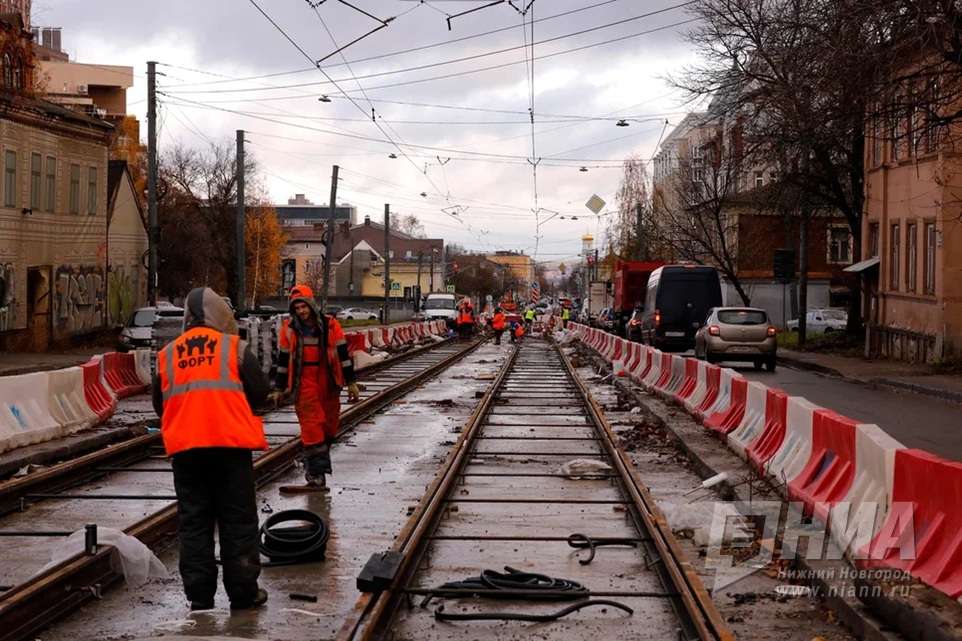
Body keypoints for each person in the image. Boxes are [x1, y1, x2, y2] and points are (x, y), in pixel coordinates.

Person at [153, 287, 269, 612]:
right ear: (222, 315)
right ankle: (244, 592)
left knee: (193, 522)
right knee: (237, 520)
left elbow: (159, 404)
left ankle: (200, 596)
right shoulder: (235, 349)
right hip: (230, 448)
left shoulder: (167, 355)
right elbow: (259, 391)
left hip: (187, 452)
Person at [273, 285, 361, 492]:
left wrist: (351, 382)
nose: (301, 312)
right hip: (304, 382)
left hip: (328, 382)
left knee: (329, 427)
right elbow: (283, 360)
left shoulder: (330, 325)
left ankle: (316, 464)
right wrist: (278, 387)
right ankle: (316, 475)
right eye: (297, 308)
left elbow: (343, 356)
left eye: (304, 307)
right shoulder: (288, 329)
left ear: (311, 305)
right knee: (312, 427)